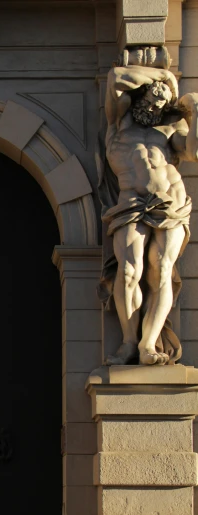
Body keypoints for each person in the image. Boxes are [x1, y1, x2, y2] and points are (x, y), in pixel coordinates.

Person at [100, 57, 198, 366]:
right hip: (130, 204)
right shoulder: (117, 124)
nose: (157, 103)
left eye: (163, 100)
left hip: (171, 203)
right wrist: (166, 77)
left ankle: (148, 344)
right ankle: (129, 342)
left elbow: (194, 152)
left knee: (161, 270)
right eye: (153, 94)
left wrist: (195, 112)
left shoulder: (171, 129)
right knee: (129, 273)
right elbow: (117, 76)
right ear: (142, 94)